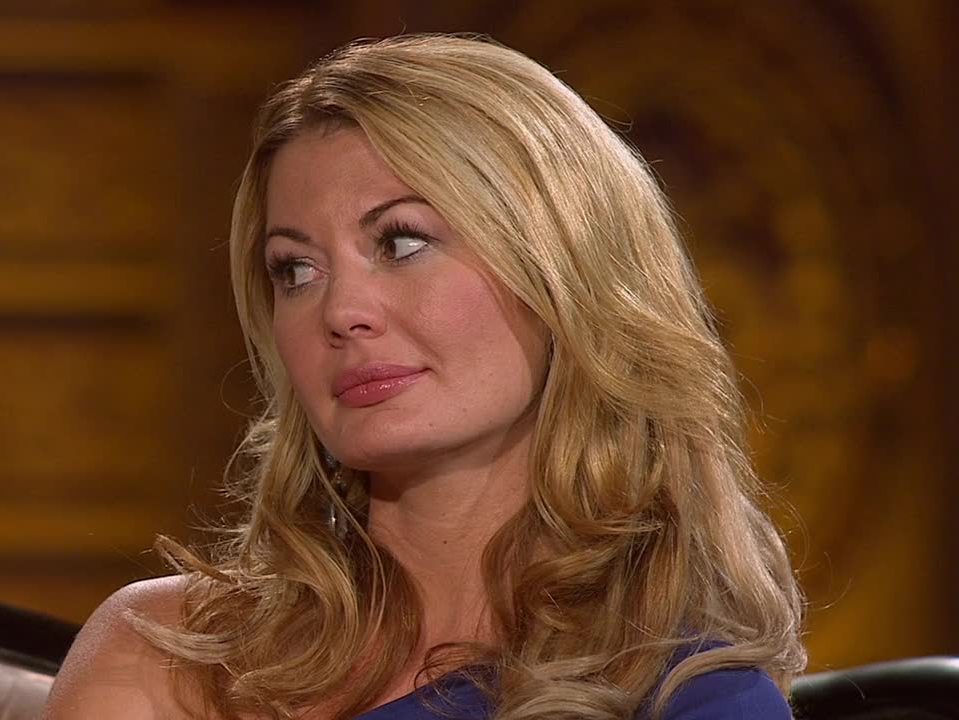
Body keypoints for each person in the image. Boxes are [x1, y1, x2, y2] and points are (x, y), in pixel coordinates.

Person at [41, 33, 806, 720]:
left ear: (563, 267)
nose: (341, 311)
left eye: (402, 242)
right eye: (295, 269)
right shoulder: (164, 655)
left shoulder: (689, 698)